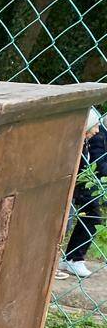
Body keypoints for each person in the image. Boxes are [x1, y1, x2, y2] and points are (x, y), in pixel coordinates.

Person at [59, 105, 105, 279]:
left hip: (83, 187)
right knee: (66, 223)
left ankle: (72, 259)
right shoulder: (80, 143)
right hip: (79, 187)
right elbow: (98, 165)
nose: (97, 130)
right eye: (95, 125)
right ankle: (72, 259)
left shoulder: (85, 142)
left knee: (70, 223)